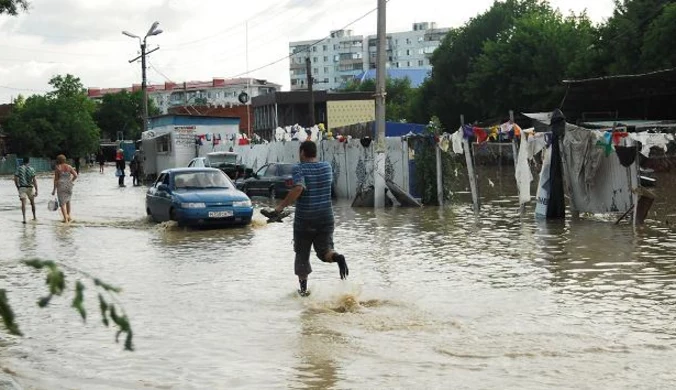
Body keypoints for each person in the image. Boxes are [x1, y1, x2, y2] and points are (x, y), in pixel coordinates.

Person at [273, 140, 348, 297]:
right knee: (325, 251)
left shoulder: (299, 168)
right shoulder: (327, 167)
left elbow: (299, 188)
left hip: (305, 221)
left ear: (302, 152)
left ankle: (303, 291)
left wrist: (280, 207)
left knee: (302, 255)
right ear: (315, 153)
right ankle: (338, 257)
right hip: (326, 218)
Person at [52, 154, 78, 223]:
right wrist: (71, 181)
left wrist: (54, 190)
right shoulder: (69, 167)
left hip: (61, 186)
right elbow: (76, 175)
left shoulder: (58, 167)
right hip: (69, 185)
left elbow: (56, 179)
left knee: (62, 203)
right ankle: (69, 217)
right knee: (68, 201)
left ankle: (65, 219)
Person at [14, 157, 38, 224]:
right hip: (30, 187)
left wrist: (17, 187)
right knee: (32, 203)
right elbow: (35, 180)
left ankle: (24, 219)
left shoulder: (19, 168)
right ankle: (34, 217)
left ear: (23, 161)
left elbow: (15, 179)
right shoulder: (31, 169)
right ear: (28, 161)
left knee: (23, 203)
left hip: (22, 187)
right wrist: (36, 190)